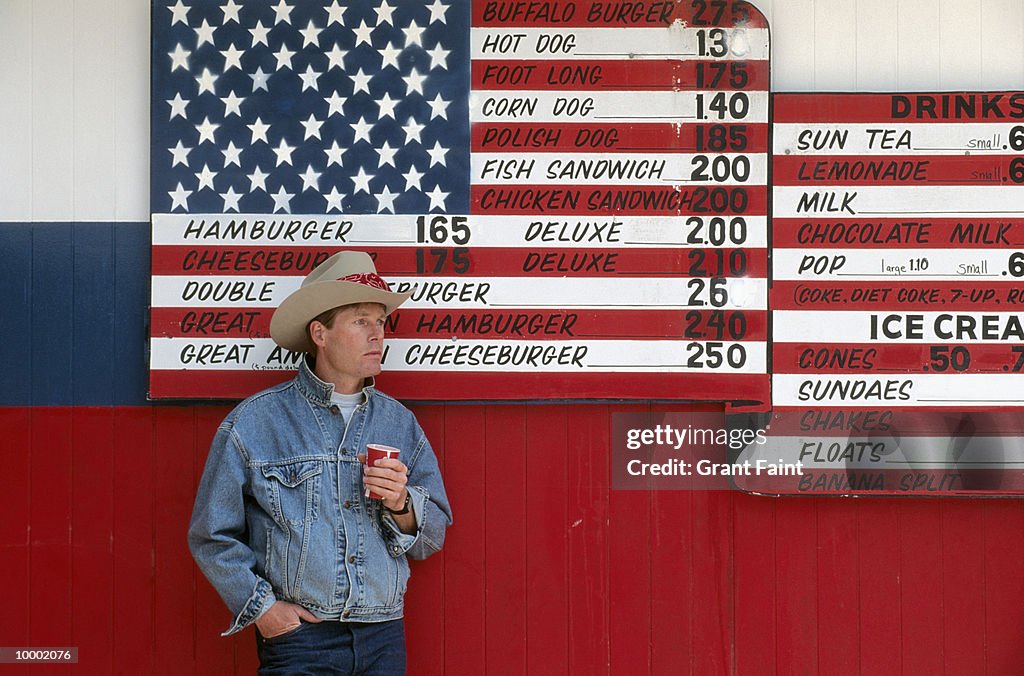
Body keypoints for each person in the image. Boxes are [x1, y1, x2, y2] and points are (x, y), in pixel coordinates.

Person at [188, 250, 452, 675]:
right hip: (300, 642)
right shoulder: (256, 422)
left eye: (381, 322)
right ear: (320, 333)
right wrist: (264, 610)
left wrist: (402, 504)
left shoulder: (399, 423)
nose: (377, 335)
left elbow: (433, 536)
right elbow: (211, 534)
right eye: (360, 320)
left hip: (383, 635)